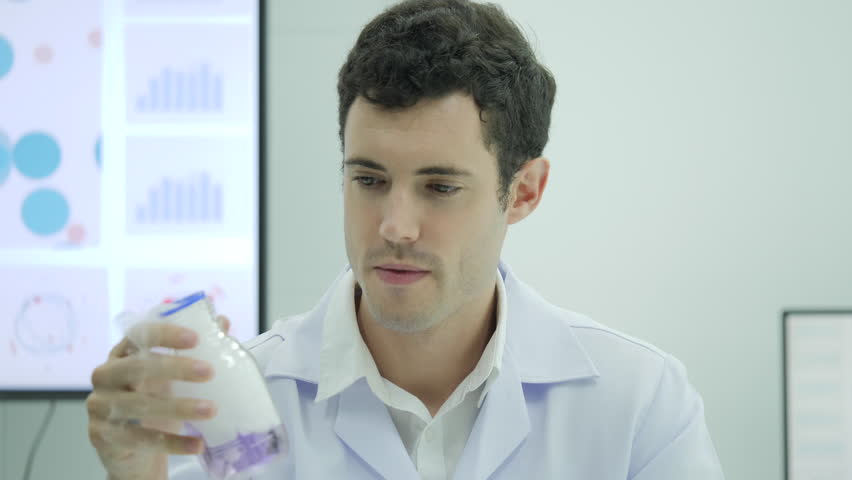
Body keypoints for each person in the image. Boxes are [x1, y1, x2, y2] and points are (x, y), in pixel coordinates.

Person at [86, 0, 725, 478]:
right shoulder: (237, 408)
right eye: (369, 179)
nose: (393, 226)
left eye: (440, 187)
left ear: (525, 191)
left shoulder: (640, 403)